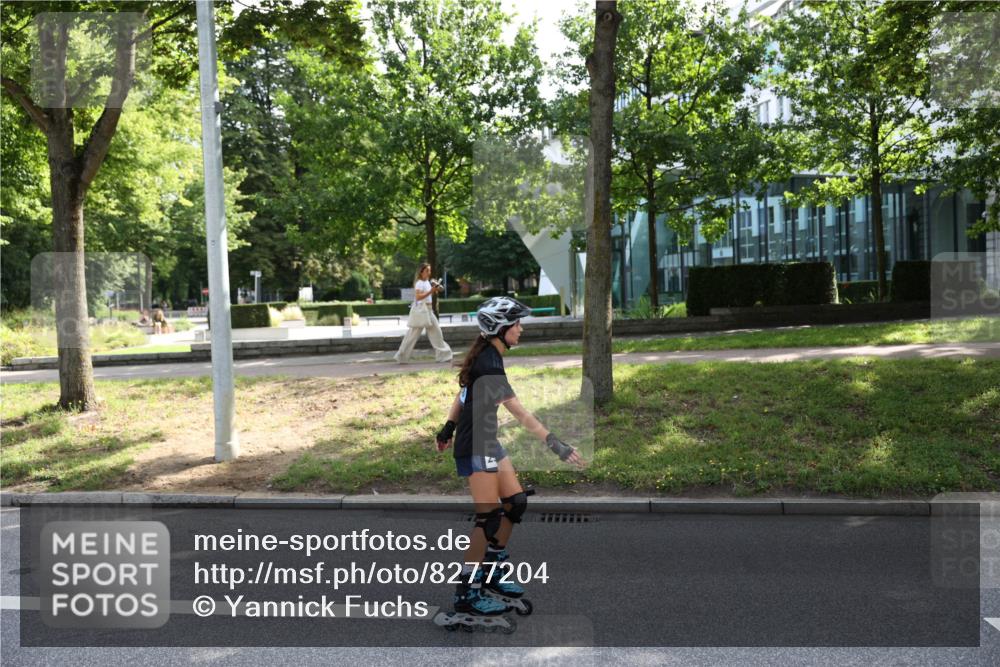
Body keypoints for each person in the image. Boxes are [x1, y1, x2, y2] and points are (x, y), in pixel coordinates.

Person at [434, 296, 586, 622]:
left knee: (515, 503)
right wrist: (556, 445)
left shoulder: (487, 357)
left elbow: (462, 394)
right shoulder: (489, 364)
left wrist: (447, 428)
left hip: (487, 442)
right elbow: (520, 413)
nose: (521, 329)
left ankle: (491, 569)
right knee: (488, 518)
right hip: (476, 446)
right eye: (517, 324)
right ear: (500, 328)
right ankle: (467, 593)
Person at [393, 263, 452, 364]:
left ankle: (443, 356)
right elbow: (418, 297)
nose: (429, 273)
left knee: (437, 333)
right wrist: (431, 291)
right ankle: (401, 356)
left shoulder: (428, 282)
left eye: (429, 270)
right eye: (427, 271)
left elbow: (440, 290)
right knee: (412, 335)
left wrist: (436, 287)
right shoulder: (419, 283)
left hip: (428, 310)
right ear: (421, 272)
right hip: (421, 311)